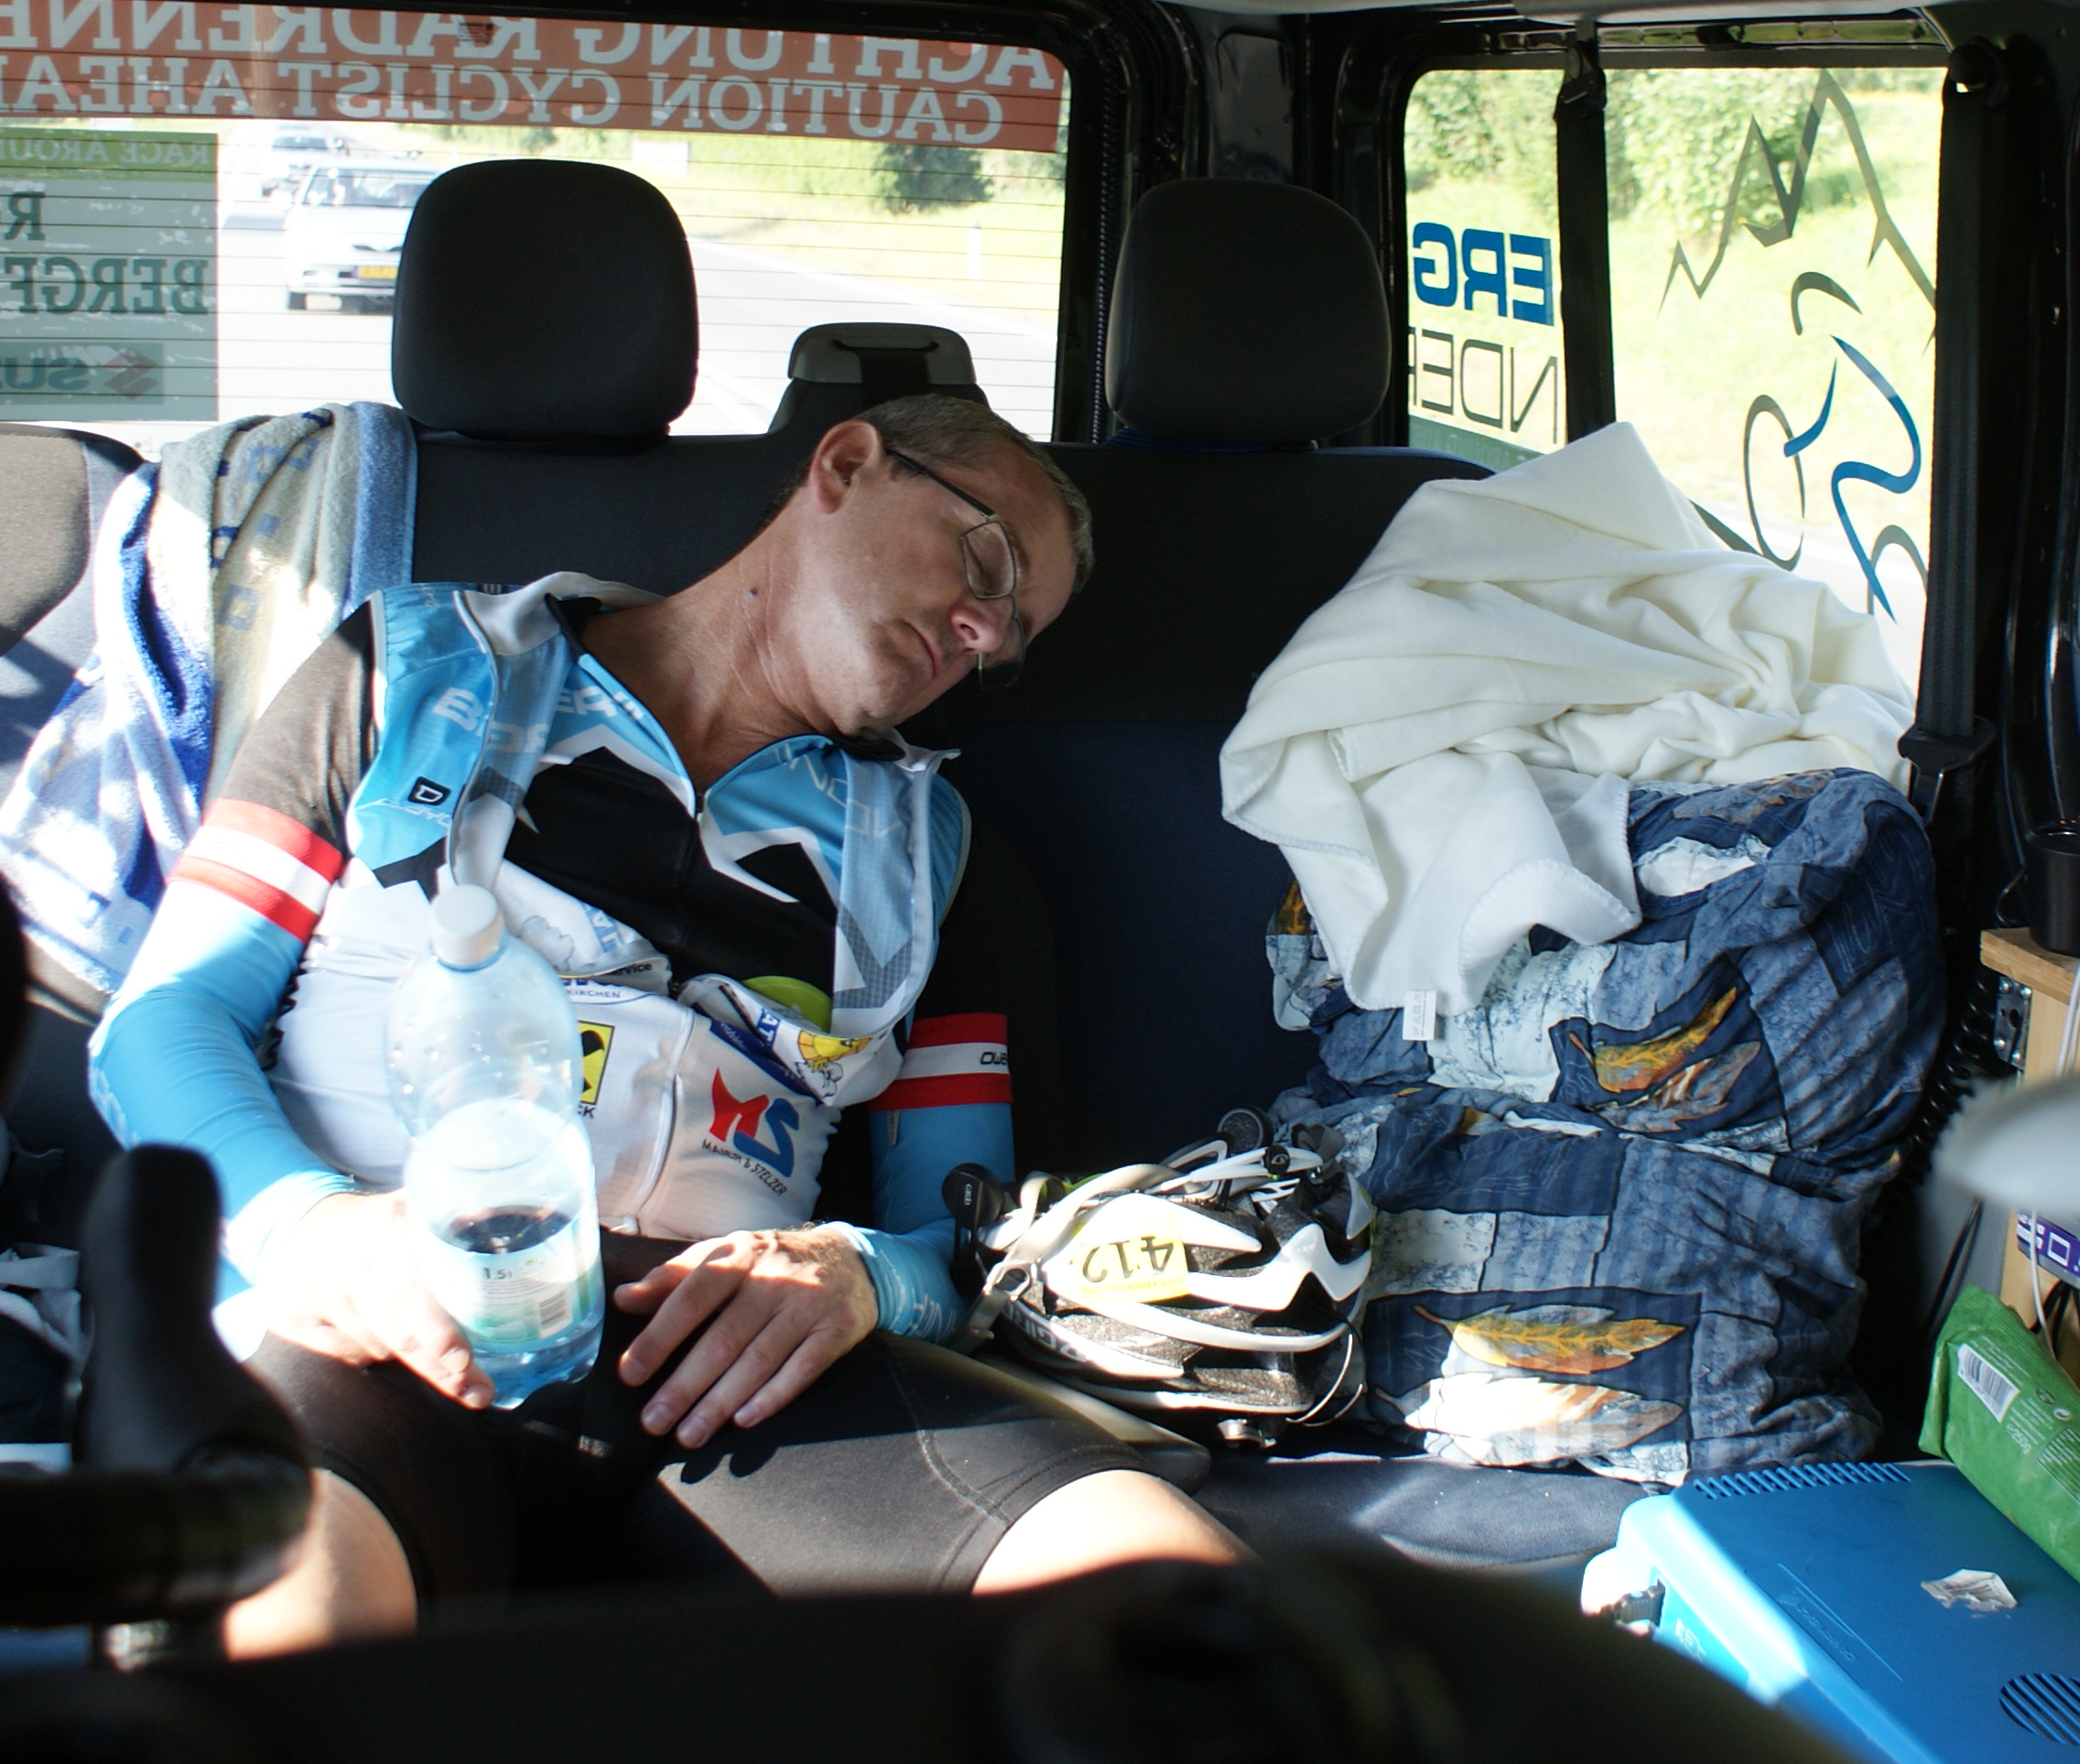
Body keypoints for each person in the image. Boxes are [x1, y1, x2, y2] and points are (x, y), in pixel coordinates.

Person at [87, 396, 1240, 1650]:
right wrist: (312, 1230)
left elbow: (960, 1234)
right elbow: (162, 1022)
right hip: (369, 1325)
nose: (982, 631)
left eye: (1011, 633)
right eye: (988, 562)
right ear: (848, 464)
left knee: (1193, 1620)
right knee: (279, 1626)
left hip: (723, 1376)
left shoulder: (939, 859)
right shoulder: (411, 671)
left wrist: (858, 1275)